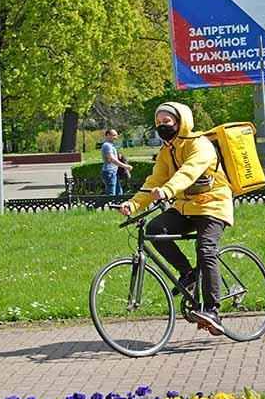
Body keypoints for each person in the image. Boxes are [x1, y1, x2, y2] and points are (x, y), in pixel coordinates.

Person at [118, 102, 233, 335]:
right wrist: (133, 203)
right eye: (158, 123)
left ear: (181, 123)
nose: (162, 126)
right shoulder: (166, 152)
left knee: (206, 249)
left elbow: (189, 171)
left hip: (212, 205)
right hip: (185, 207)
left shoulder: (200, 145)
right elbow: (153, 182)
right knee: (155, 229)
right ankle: (188, 274)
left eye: (167, 122)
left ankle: (212, 310)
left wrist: (169, 190)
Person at [100, 129, 132, 195]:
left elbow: (112, 158)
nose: (116, 137)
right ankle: (109, 204)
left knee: (119, 193)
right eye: (114, 135)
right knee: (111, 194)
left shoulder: (110, 146)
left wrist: (118, 155)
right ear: (108, 135)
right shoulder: (107, 145)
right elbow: (112, 159)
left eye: (116, 135)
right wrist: (126, 166)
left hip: (113, 172)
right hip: (109, 172)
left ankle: (117, 205)